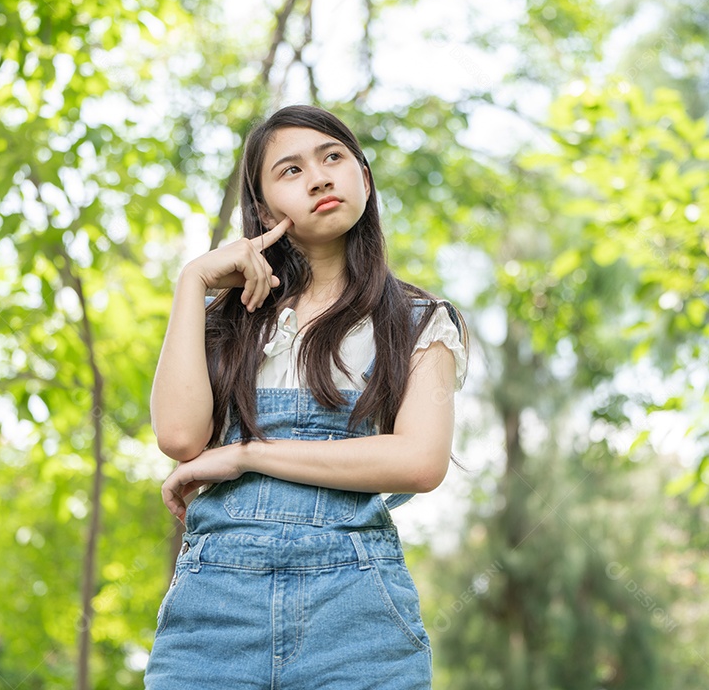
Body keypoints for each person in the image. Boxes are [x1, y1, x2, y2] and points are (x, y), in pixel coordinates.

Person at [144, 105, 469, 689]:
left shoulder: (417, 322)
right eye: (290, 170)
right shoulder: (230, 325)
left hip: (356, 618)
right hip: (212, 619)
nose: (319, 177)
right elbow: (180, 438)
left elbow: (419, 462)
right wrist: (191, 281)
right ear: (265, 210)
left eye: (333, 157)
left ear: (363, 179)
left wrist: (247, 455)